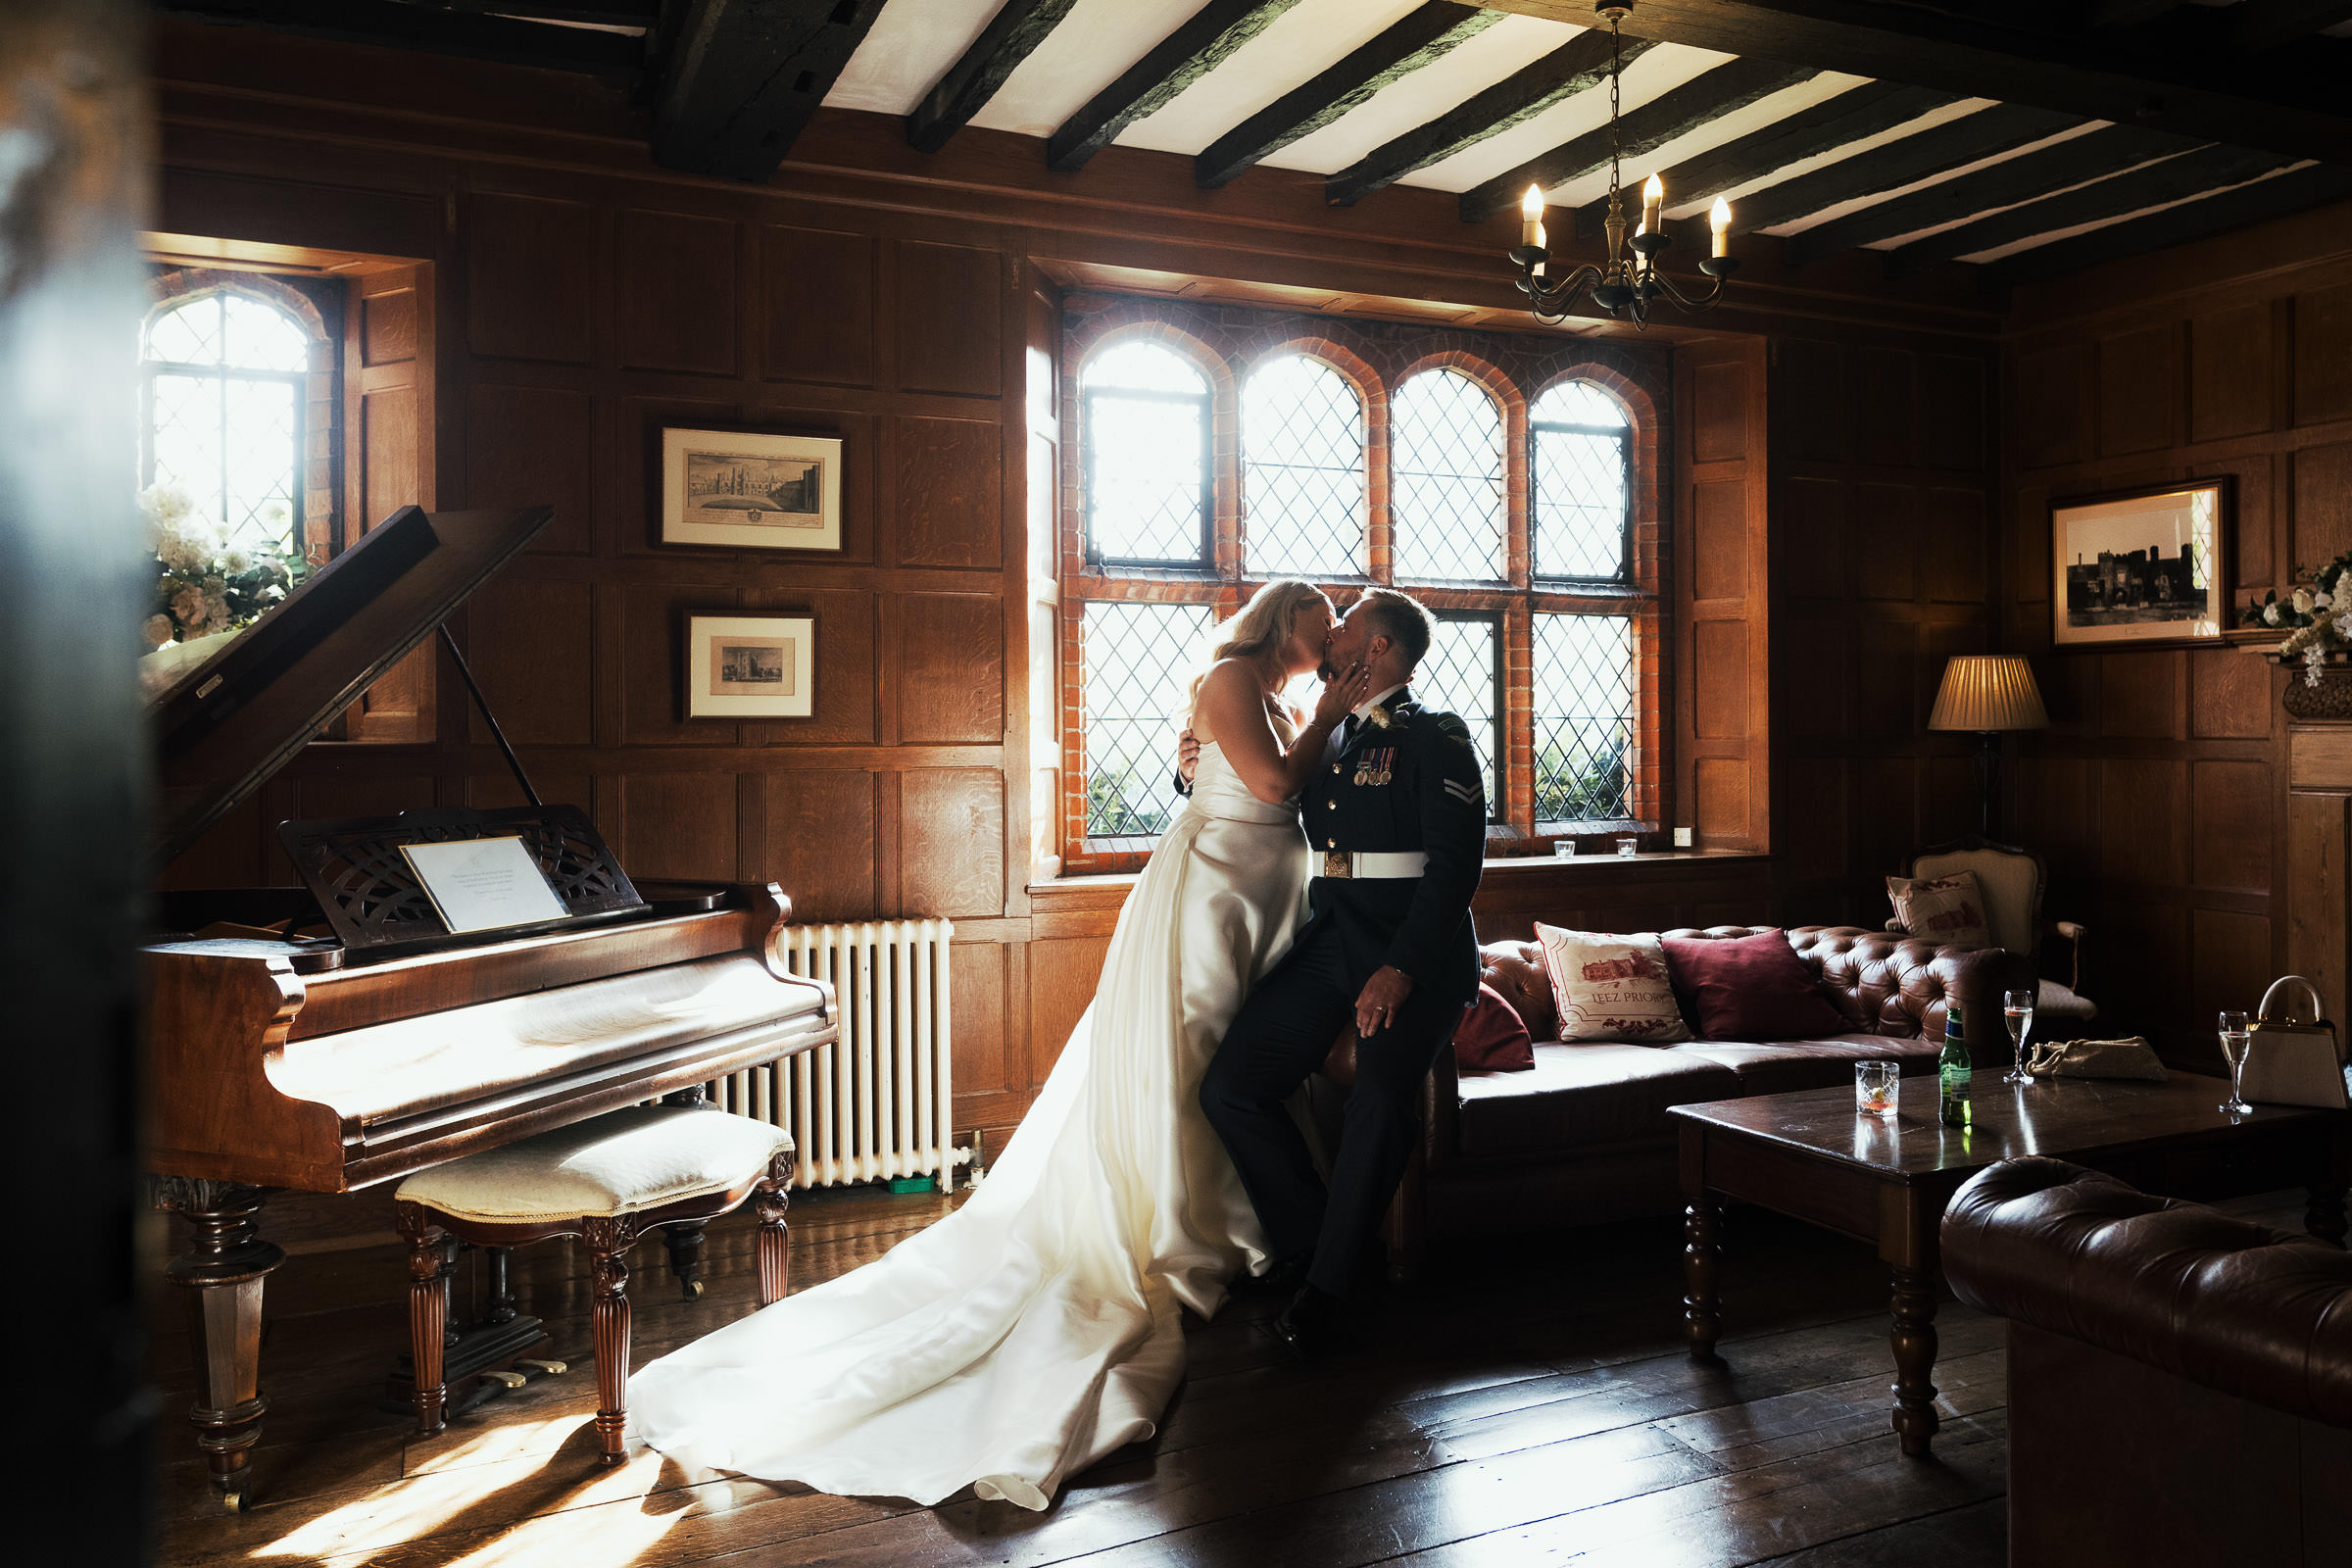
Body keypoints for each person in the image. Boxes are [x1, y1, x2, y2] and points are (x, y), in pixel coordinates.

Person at [625, 579, 1370, 1510]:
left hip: (1267, 899)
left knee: (1243, 1071)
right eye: (1323, 616)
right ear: (1283, 618)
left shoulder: (1285, 700)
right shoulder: (1232, 675)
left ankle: (1240, 1228)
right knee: (1189, 1064)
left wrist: (1279, 735)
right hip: (1214, 897)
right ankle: (1183, 1228)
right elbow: (1267, 783)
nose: (1334, 631)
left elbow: (1247, 776)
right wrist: (1318, 718)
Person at [1200, 587, 1487, 1356]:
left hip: (1412, 953)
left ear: (1381, 650)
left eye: (1349, 623)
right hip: (1332, 942)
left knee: (1382, 1098)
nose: (1334, 631)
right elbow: (1269, 794)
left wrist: (1400, 967)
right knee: (1231, 1087)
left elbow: (1456, 868)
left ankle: (1325, 1292)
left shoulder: (1436, 734)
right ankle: (1311, 1242)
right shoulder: (1335, 736)